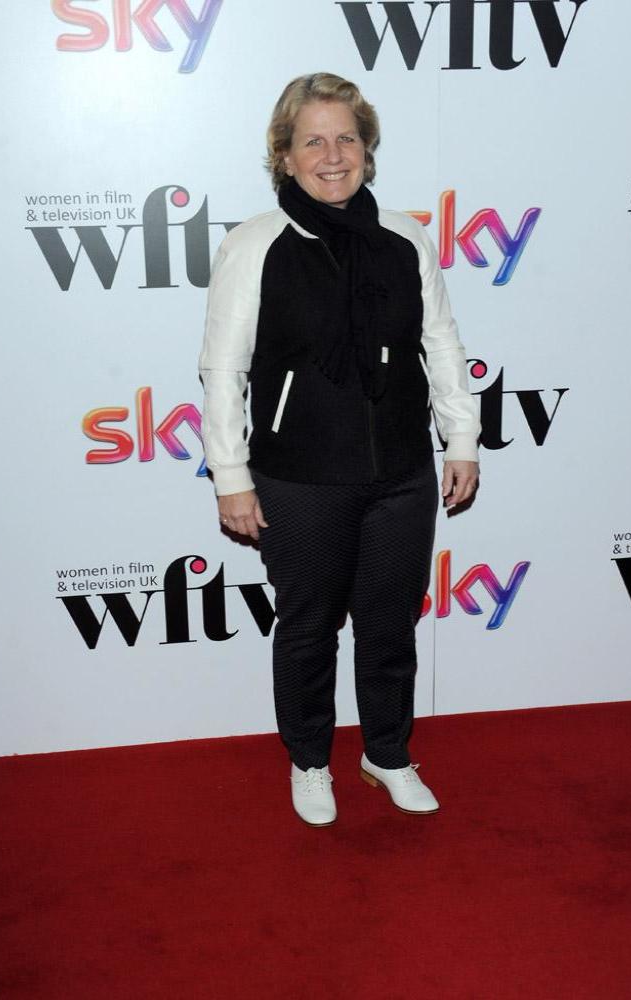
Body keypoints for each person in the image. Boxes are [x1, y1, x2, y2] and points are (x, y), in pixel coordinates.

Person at [198, 72, 480, 827]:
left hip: (400, 474)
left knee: (390, 626)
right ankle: (310, 759)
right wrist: (231, 475)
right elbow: (222, 369)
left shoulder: (405, 239)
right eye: (313, 140)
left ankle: (386, 753)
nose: (332, 155)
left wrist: (461, 439)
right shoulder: (255, 244)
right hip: (299, 479)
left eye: (347, 137)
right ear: (283, 155)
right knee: (309, 627)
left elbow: (442, 343)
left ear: (368, 150)